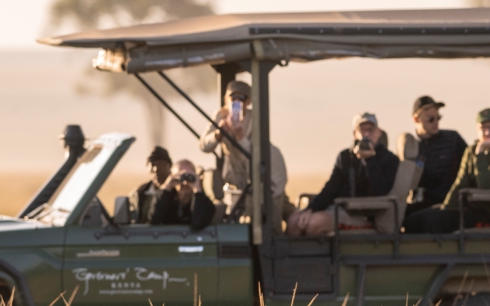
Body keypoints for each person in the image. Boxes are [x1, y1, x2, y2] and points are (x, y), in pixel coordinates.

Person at [403, 108, 490, 234]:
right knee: (412, 220)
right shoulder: (471, 151)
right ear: (477, 129)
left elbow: (487, 185)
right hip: (468, 209)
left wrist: (481, 153)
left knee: (429, 222)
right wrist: (446, 208)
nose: (488, 132)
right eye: (483, 127)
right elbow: (461, 183)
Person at [287, 113, 400, 237]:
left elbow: (381, 190)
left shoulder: (389, 159)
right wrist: (311, 209)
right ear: (355, 134)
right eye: (362, 130)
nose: (366, 134)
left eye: (371, 130)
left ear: (379, 132)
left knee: (315, 223)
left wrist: (369, 160)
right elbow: (332, 187)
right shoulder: (346, 157)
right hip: (338, 209)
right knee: (294, 221)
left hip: (364, 214)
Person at [198, 79, 288, 219]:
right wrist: (219, 134)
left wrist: (240, 136)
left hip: (259, 178)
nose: (237, 102)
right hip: (234, 177)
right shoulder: (220, 116)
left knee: (269, 216)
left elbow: (256, 155)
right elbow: (204, 146)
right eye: (232, 97)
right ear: (225, 99)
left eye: (242, 98)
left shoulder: (255, 119)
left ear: (249, 101)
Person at [408, 95, 467, 216]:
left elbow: (470, 165)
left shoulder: (453, 139)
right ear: (416, 119)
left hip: (451, 203)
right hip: (423, 203)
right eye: (430, 119)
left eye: (438, 117)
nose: (436, 122)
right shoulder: (410, 148)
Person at [150, 159, 215, 230]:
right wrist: (167, 187)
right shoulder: (163, 198)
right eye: (181, 176)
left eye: (189, 177)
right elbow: (154, 220)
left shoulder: (204, 202)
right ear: (172, 177)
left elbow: (198, 223)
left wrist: (198, 189)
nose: (185, 183)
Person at [129, 146, 173, 224]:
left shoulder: (178, 191)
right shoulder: (138, 193)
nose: (156, 169)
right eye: (152, 165)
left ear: (169, 167)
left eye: (161, 164)